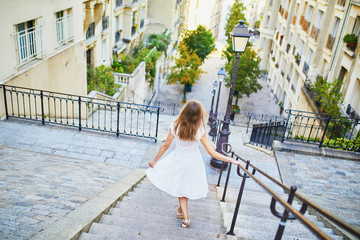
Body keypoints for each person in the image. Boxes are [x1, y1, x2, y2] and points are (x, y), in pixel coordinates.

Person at [146, 100, 242, 228]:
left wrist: (155, 160)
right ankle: (181, 211)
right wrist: (231, 160)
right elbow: (212, 153)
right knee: (183, 189)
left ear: (185, 111)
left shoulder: (176, 125)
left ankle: (186, 217)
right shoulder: (199, 129)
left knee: (182, 189)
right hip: (193, 162)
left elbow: (165, 145)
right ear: (198, 115)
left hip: (178, 160)